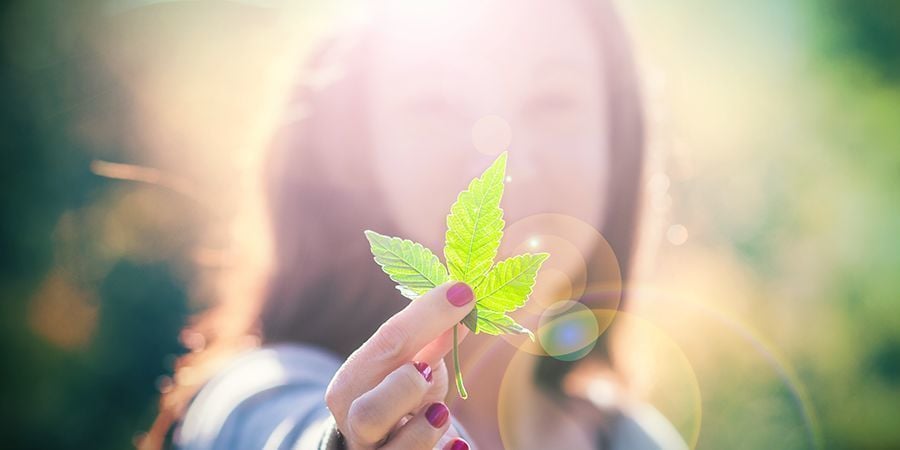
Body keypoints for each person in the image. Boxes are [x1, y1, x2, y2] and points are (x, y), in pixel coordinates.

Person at [145, 0, 688, 448]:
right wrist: (342, 439)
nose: (506, 163)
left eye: (553, 102)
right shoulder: (259, 393)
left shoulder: (635, 437)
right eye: (436, 103)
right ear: (355, 151)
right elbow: (282, 431)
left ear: (617, 147)